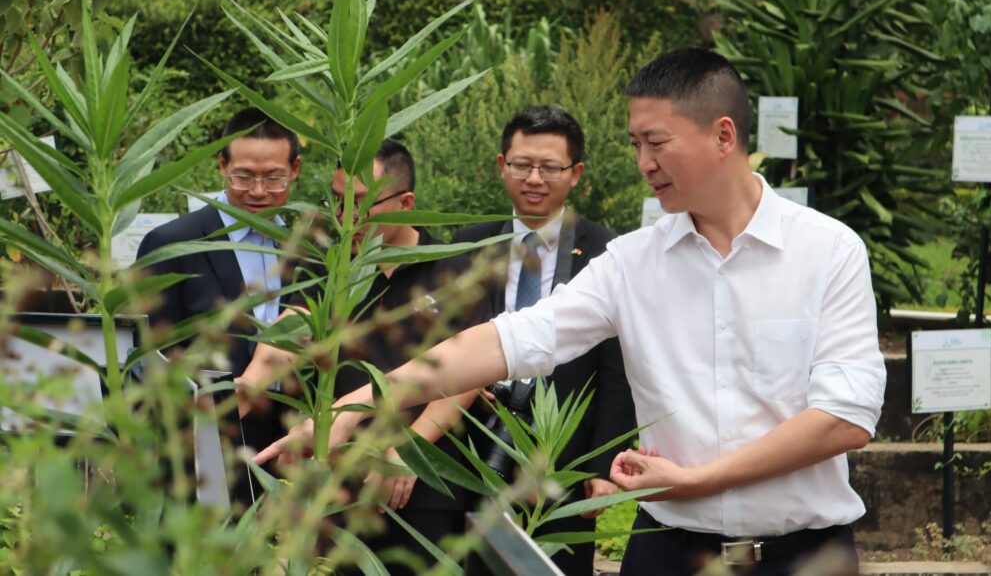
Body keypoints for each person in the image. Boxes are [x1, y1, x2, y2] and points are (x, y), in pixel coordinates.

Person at [255, 49, 887, 576]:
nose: (643, 163)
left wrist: (701, 480)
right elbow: (502, 342)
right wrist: (353, 409)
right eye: (635, 143)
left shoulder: (827, 251)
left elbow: (844, 419)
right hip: (667, 555)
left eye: (656, 142)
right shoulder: (632, 262)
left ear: (724, 136)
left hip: (806, 556)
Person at [237, 139, 472, 576]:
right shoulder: (329, 265)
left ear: (406, 204)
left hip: (418, 484)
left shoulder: (452, 269)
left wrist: (412, 449)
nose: (346, 217)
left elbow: (468, 374)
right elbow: (295, 327)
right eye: (337, 201)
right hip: (334, 484)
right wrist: (249, 383)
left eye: (361, 203)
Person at [445, 105, 635, 576]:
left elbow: (619, 367)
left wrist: (602, 466)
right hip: (474, 449)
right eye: (522, 165)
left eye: (550, 167)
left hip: (564, 457)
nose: (534, 179)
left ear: (576, 174)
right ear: (501, 165)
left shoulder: (607, 251)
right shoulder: (468, 244)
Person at [137, 106, 302, 455]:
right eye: (243, 176)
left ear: (295, 170)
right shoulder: (172, 244)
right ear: (223, 166)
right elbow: (146, 357)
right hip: (204, 438)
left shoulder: (306, 250)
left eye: (274, 178)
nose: (258, 191)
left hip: (291, 440)